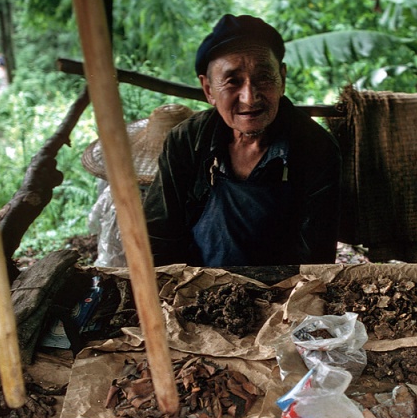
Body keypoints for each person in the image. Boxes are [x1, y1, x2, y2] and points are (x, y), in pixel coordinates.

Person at [143, 14, 341, 267]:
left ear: (282, 79)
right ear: (208, 90)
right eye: (232, 81)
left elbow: (316, 257)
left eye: (264, 77)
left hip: (285, 288)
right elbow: (158, 236)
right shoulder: (187, 140)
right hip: (193, 284)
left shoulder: (315, 147)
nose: (250, 97)